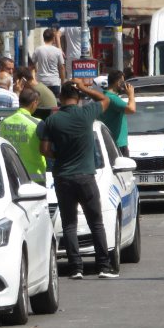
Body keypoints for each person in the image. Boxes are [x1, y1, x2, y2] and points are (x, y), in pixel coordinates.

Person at [37, 79, 116, 280]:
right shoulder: (86, 114)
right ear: (78, 97)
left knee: (69, 224)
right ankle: (104, 267)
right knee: (96, 222)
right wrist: (84, 88)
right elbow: (105, 99)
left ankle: (75, 268)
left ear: (61, 98)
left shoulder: (51, 121)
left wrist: (59, 156)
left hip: (63, 177)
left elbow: (44, 150)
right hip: (86, 177)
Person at [0, 87, 46, 184]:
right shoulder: (37, 123)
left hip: (13, 178)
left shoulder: (5, 122)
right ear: (34, 102)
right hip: (35, 178)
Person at [98, 70, 136, 156]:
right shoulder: (113, 98)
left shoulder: (104, 96)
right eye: (122, 82)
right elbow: (131, 109)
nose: (124, 85)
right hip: (118, 144)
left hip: (110, 142)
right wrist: (131, 95)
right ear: (118, 82)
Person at [31, 28, 66, 93]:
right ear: (53, 38)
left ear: (43, 38)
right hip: (54, 82)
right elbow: (62, 68)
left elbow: (31, 64)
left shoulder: (38, 49)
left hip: (41, 81)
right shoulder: (58, 51)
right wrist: (62, 81)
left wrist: (35, 72)